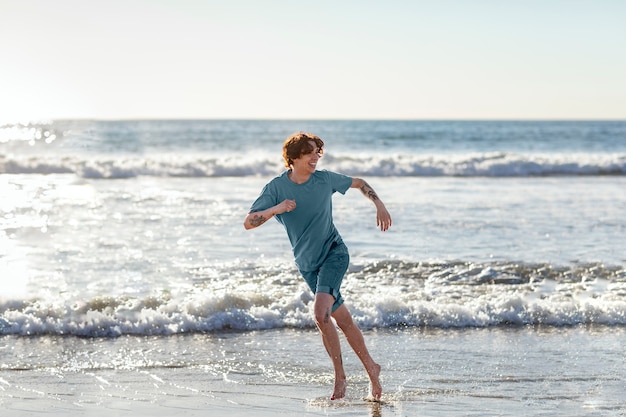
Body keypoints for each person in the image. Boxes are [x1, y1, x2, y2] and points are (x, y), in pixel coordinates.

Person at [243, 132, 392, 401]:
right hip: (307, 265)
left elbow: (359, 183)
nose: (315, 157)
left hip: (334, 253)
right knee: (342, 320)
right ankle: (372, 368)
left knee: (320, 313)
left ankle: (340, 379)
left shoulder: (324, 180)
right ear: (294, 157)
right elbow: (249, 221)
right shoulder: (276, 188)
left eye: (318, 152)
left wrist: (379, 204)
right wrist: (276, 209)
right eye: (310, 152)